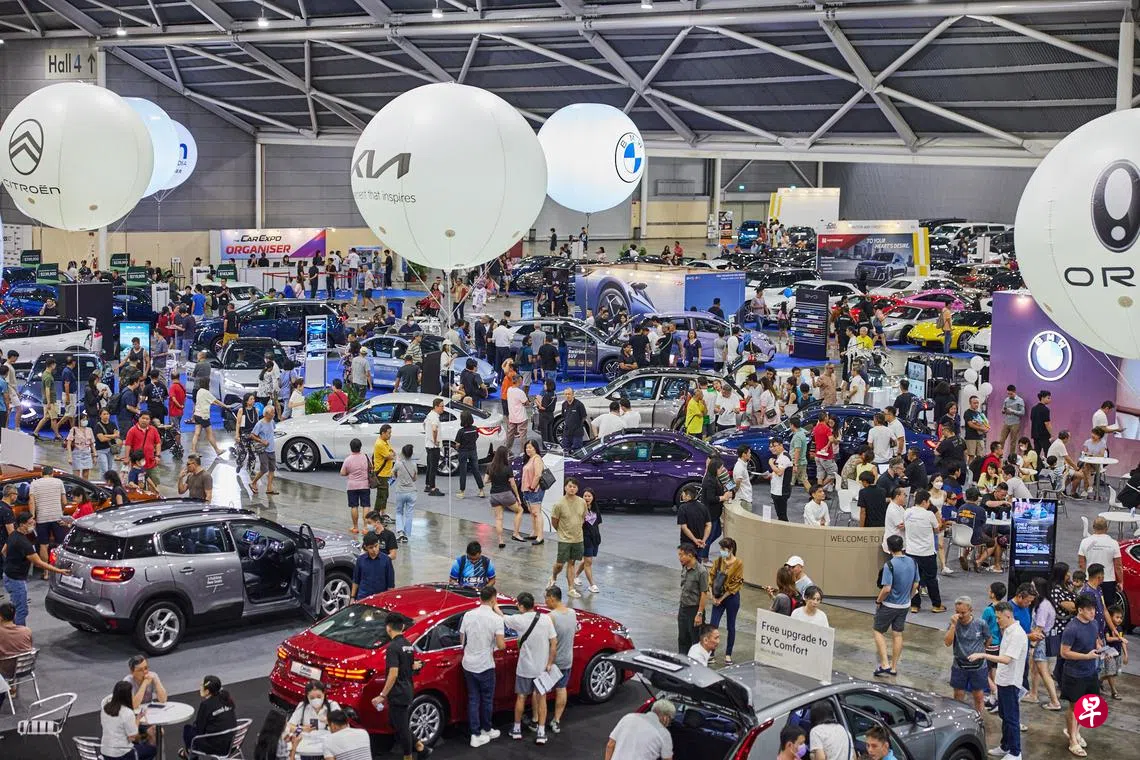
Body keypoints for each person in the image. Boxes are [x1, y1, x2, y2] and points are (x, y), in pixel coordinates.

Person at [968, 601, 1027, 760]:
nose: (996, 621)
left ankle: (1015, 752)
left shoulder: (1017, 634)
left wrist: (983, 655)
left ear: (1008, 615)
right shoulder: (1007, 630)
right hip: (1003, 680)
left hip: (1011, 682)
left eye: (998, 618)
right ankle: (1005, 746)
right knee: (1004, 715)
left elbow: (1007, 659)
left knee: (1011, 718)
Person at [372, 613, 431, 760]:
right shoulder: (408, 645)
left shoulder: (392, 647)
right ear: (403, 626)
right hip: (407, 689)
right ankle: (420, 747)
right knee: (394, 722)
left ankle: (408, 756)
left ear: (388, 628)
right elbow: (410, 667)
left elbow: (393, 674)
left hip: (398, 692)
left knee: (402, 727)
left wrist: (382, 695)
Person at [503, 592, 557, 745]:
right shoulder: (546, 619)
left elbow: (502, 617)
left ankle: (516, 729)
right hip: (542, 668)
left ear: (521, 606)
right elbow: (554, 643)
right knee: (542, 698)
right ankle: (541, 732)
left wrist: (494, 605)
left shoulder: (518, 620)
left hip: (524, 668)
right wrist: (549, 663)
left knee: (521, 697)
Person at [461, 585, 507, 748]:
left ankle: (475, 734)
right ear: (494, 599)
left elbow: (462, 639)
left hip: (468, 663)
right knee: (487, 699)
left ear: (480, 598)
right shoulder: (496, 619)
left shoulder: (468, 615)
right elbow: (501, 645)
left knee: (473, 699)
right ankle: (486, 729)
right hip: (485, 665)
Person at [1059, 594, 1101, 756]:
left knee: (1088, 705)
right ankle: (1072, 741)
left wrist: (1100, 648)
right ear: (1080, 610)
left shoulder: (1094, 623)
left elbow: (1095, 640)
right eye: (1089, 609)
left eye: (1094, 609)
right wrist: (1086, 656)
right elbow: (1064, 653)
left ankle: (1075, 732)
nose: (1093, 612)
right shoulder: (1072, 628)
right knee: (1074, 707)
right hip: (1074, 674)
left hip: (1091, 671)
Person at [873, 534, 918, 677]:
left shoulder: (890, 565)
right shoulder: (913, 562)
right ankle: (893, 667)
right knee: (897, 634)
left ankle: (884, 664)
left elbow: (886, 589)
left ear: (889, 548)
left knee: (878, 631)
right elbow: (916, 584)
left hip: (889, 605)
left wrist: (878, 601)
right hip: (904, 605)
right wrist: (909, 597)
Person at [944, 595, 990, 713]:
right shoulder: (954, 624)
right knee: (958, 695)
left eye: (963, 613)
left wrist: (981, 652)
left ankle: (979, 718)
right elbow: (947, 642)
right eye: (957, 612)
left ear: (971, 610)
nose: (960, 615)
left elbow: (988, 639)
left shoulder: (980, 624)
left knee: (978, 696)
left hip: (978, 666)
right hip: (959, 665)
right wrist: (953, 626)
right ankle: (958, 717)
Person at [904, 489, 944, 613]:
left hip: (911, 552)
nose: (929, 504)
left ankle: (914, 605)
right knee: (931, 579)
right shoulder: (929, 514)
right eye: (928, 502)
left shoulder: (907, 512)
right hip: (927, 553)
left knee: (913, 579)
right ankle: (936, 605)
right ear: (924, 502)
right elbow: (937, 530)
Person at [548, 477, 587, 595]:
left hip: (578, 538)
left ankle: (571, 588)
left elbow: (583, 517)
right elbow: (554, 521)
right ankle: (553, 576)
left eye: (574, 487)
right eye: (570, 486)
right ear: (565, 487)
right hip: (564, 538)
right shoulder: (559, 504)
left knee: (572, 563)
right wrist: (561, 531)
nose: (572, 489)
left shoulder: (582, 502)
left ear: (577, 489)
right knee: (560, 564)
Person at [183, 675, 237, 757]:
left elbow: (200, 730)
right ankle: (187, 754)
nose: (200, 687)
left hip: (218, 748)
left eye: (201, 685)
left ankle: (189, 755)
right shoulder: (226, 698)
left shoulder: (206, 705)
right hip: (233, 744)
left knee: (187, 730)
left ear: (207, 691)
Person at [101, 681, 157, 760]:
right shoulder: (127, 712)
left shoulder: (105, 708)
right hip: (121, 755)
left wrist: (137, 718)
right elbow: (133, 737)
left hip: (105, 752)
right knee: (152, 750)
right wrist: (146, 735)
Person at [604, 700, 675, 760]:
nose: (668, 724)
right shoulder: (664, 734)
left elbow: (610, 745)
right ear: (665, 718)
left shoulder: (628, 717)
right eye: (670, 720)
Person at [485, 445, 525, 549]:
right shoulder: (508, 467)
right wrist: (517, 496)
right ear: (505, 455)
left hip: (494, 495)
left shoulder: (490, 466)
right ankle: (516, 533)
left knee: (499, 518)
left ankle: (500, 540)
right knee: (519, 510)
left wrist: (493, 479)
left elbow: (485, 481)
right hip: (506, 494)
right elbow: (513, 484)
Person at [1078, 516, 1123, 605]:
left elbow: (1081, 564)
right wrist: (1120, 581)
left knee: (1089, 606)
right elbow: (1118, 566)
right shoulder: (1114, 543)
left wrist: (1083, 579)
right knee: (1108, 606)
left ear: (1093, 527)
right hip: (1108, 581)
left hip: (1090, 580)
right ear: (1106, 528)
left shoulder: (1084, 542)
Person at [676, 542, 708, 653]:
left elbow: (704, 593)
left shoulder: (701, 571)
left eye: (681, 555)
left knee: (695, 641)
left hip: (694, 610)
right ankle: (682, 659)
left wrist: (699, 614)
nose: (679, 558)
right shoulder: (685, 567)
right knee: (682, 639)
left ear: (690, 555)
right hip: (683, 608)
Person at [340, 438, 371, 535]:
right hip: (365, 485)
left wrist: (349, 473)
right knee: (366, 506)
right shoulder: (366, 457)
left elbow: (342, 473)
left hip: (352, 486)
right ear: (360, 447)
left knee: (354, 506)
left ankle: (355, 527)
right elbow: (371, 468)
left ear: (351, 447)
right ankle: (365, 527)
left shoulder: (348, 459)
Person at [676, 483, 711, 562]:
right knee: (697, 562)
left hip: (687, 543)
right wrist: (703, 540)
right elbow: (708, 525)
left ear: (688, 496)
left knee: (687, 564)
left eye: (683, 494)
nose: (682, 495)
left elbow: (684, 527)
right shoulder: (703, 507)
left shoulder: (682, 508)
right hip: (700, 543)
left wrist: (694, 540)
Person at [249, 405, 280, 496]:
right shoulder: (260, 424)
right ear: (266, 414)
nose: (274, 414)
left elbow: (272, 432)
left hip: (271, 449)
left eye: (274, 412)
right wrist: (261, 441)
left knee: (272, 469)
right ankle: (253, 482)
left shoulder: (272, 422)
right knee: (264, 469)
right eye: (272, 413)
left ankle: (269, 488)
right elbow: (252, 435)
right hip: (263, 450)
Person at [519, 439, 545, 543]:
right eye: (526, 448)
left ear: (535, 448)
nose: (528, 449)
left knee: (536, 512)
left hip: (534, 490)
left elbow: (538, 474)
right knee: (532, 512)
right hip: (527, 489)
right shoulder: (529, 459)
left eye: (530, 447)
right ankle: (535, 532)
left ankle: (540, 536)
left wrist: (532, 487)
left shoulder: (537, 459)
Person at [0, 601, 32, 682]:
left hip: (5, 670)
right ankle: (11, 686)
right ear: (15, 615)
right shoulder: (27, 631)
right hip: (25, 667)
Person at [392, 444, 418, 541]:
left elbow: (393, 474)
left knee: (399, 512)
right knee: (409, 513)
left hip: (400, 491)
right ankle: (407, 534)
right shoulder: (414, 464)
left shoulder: (398, 464)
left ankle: (400, 532)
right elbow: (414, 478)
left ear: (402, 453)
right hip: (412, 491)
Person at [560, 388, 591, 452]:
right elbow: (564, 416)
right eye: (566, 394)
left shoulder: (579, 404)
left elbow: (584, 416)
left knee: (577, 451)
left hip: (577, 433)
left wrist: (578, 425)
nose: (567, 396)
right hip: (567, 432)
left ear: (573, 394)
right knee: (565, 450)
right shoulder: (564, 404)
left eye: (569, 394)